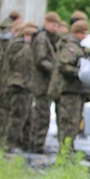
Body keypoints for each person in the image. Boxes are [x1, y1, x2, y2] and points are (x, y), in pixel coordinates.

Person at [48, 19, 90, 149]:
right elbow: (63, 65)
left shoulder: (77, 47)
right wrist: (79, 73)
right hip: (70, 91)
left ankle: (67, 151)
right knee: (68, 123)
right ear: (81, 33)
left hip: (75, 91)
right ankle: (65, 153)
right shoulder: (71, 47)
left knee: (73, 123)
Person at [29, 11, 61, 153]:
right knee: (42, 116)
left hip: (45, 83)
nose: (56, 28)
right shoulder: (42, 39)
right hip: (41, 83)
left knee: (43, 114)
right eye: (54, 25)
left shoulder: (49, 38)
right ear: (46, 22)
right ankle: (36, 144)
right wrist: (55, 70)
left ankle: (37, 143)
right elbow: (40, 60)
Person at [2, 24, 36, 152]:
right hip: (21, 86)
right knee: (17, 117)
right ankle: (9, 146)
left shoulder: (15, 46)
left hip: (19, 85)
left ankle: (22, 146)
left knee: (26, 117)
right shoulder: (24, 49)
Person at [0, 10, 20, 145]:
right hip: (4, 79)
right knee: (4, 110)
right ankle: (1, 138)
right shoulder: (9, 39)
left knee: (2, 110)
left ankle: (0, 136)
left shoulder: (2, 35)